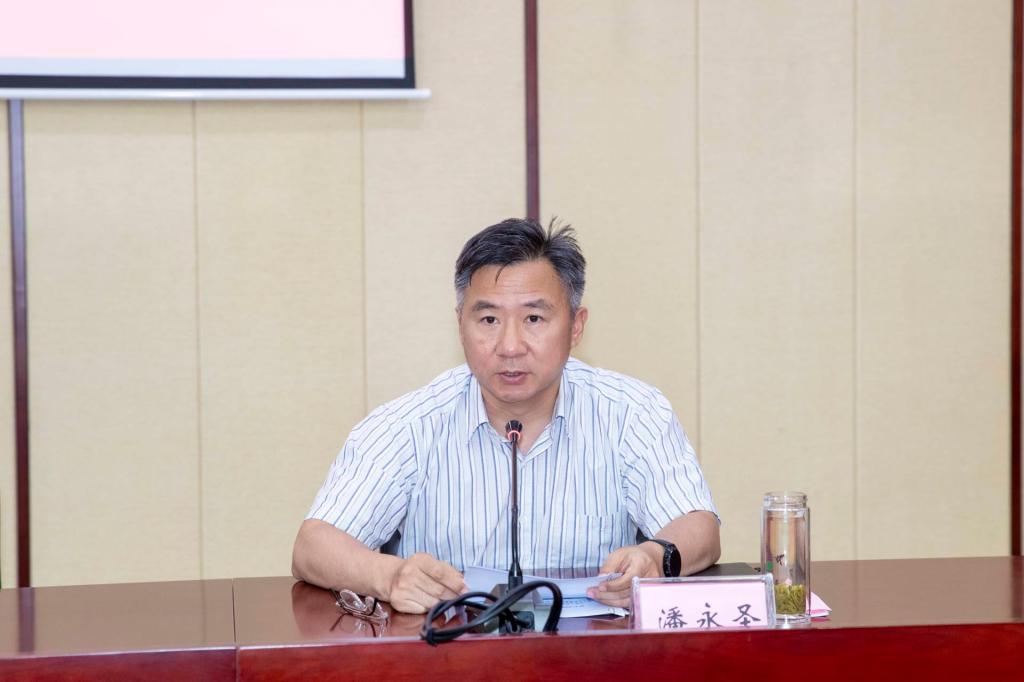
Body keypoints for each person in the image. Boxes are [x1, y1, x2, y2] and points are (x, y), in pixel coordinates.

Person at [292, 218, 720, 614]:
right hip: (450, 655)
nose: (510, 346)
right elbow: (313, 546)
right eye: (488, 319)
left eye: (534, 318)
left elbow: (698, 525)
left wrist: (655, 556)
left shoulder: (632, 414)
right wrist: (389, 576)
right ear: (460, 324)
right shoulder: (407, 426)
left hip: (593, 655)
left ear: (576, 326)